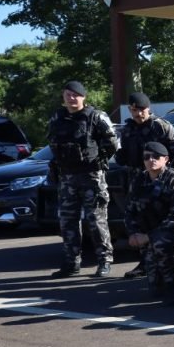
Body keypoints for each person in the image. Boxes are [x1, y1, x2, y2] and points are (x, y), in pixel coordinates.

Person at [47, 80, 119, 278]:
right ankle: (72, 262)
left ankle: (104, 261)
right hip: (68, 177)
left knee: (96, 221)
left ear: (83, 97)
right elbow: (52, 142)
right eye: (68, 94)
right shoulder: (57, 118)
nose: (71, 98)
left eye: (75, 95)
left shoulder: (95, 116)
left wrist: (98, 160)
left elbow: (112, 143)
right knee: (67, 221)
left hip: (91, 176)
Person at [125, 142, 174, 305]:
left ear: (166, 159)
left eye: (156, 157)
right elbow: (130, 211)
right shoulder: (139, 180)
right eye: (146, 157)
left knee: (160, 242)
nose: (151, 160)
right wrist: (133, 234)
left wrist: (148, 237)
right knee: (155, 289)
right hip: (150, 233)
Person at [116, 92, 174, 177]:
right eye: (134, 110)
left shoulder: (161, 127)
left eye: (142, 110)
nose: (139, 114)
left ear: (148, 108)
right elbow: (123, 156)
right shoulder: (128, 130)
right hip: (135, 180)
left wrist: (170, 175)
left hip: (160, 179)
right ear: (129, 109)